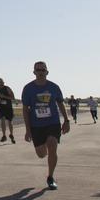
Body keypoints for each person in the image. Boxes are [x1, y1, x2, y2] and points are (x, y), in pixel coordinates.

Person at [22, 61, 70, 189]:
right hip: (36, 125)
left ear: (47, 72)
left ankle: (50, 177)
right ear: (34, 72)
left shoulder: (54, 87)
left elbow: (60, 103)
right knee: (41, 154)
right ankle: (47, 151)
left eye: (43, 70)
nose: (40, 72)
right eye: (38, 70)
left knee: (52, 144)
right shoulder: (28, 89)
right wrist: (28, 130)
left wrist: (66, 120)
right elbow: (25, 110)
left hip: (52, 123)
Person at [0, 78, 16, 143]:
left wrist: (5, 97)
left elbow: (13, 98)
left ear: (3, 82)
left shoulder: (7, 88)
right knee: (2, 120)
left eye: (1, 81)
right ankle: (4, 135)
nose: (0, 83)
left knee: (9, 121)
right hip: (1, 107)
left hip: (8, 107)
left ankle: (11, 134)